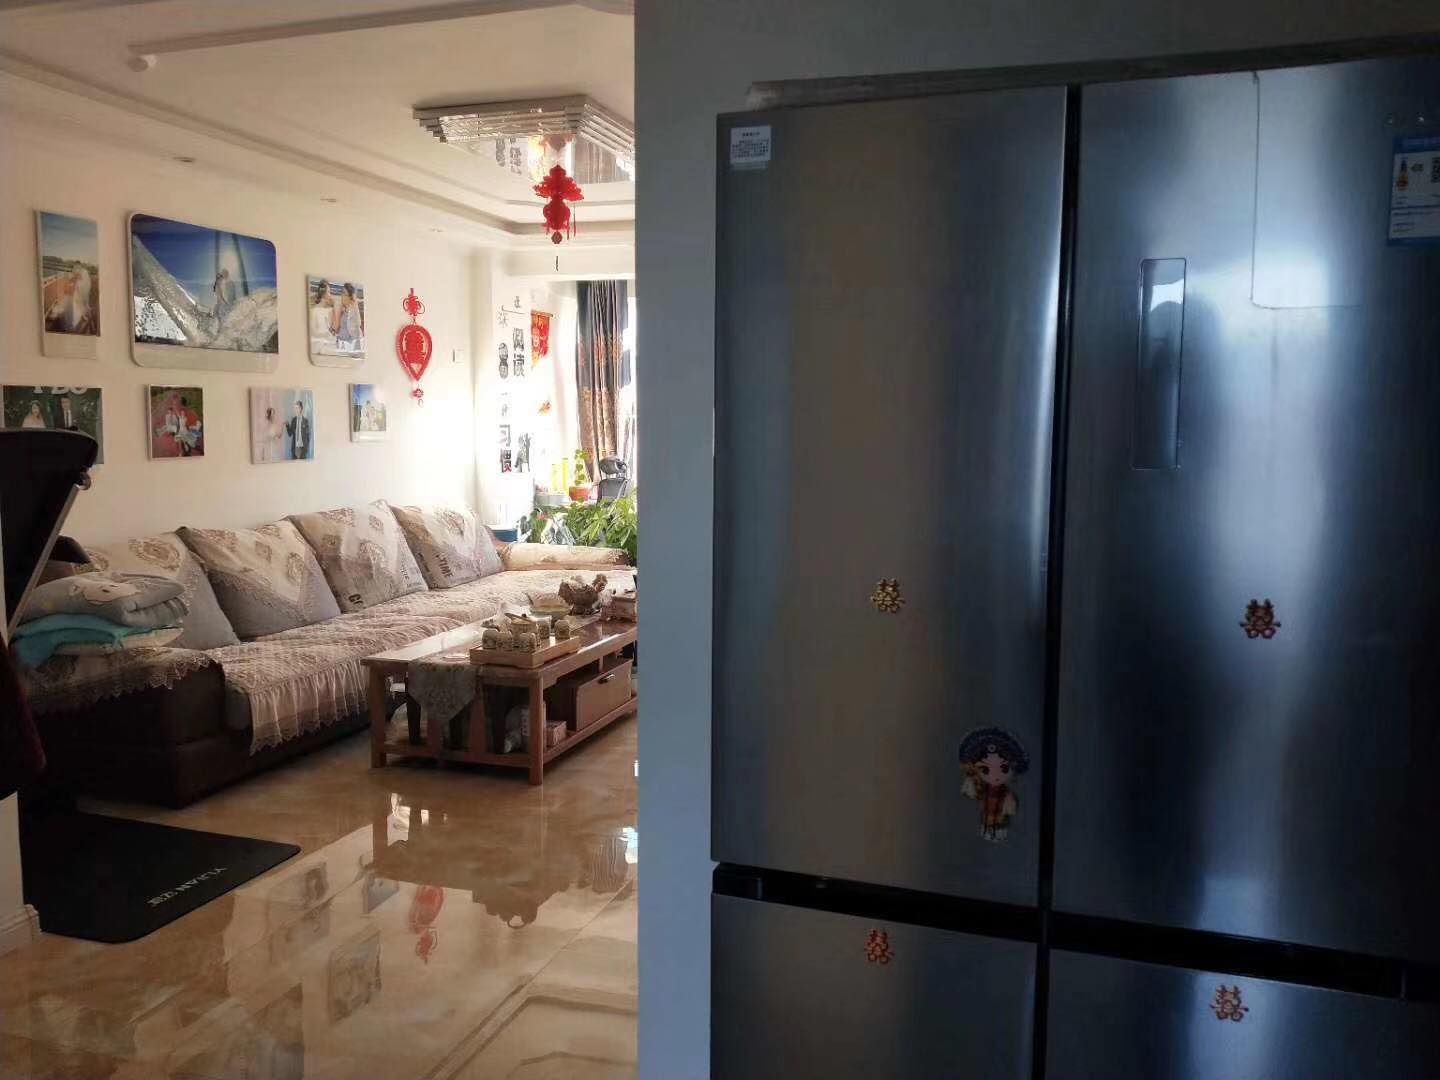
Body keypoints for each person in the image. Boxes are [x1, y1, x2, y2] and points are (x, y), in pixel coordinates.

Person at [958, 727, 1030, 842]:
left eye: (1004, 768)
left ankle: (998, 832)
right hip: (986, 818)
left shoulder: (1006, 794)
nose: (995, 775)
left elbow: (1009, 808)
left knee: (1000, 824)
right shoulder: (981, 788)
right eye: (985, 769)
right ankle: (987, 831)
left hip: (1000, 821)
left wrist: (1009, 802)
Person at [310, 280, 338, 347]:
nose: (330, 295)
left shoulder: (329, 310)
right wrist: (326, 334)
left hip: (329, 341)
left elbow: (333, 327)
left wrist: (334, 307)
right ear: (323, 293)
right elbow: (313, 332)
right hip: (320, 342)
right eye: (328, 292)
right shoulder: (315, 310)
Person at [336, 283, 362, 352]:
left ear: (349, 297)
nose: (342, 296)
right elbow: (337, 327)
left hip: (350, 344)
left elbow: (358, 325)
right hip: (341, 343)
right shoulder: (342, 309)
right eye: (342, 293)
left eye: (344, 293)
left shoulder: (353, 309)